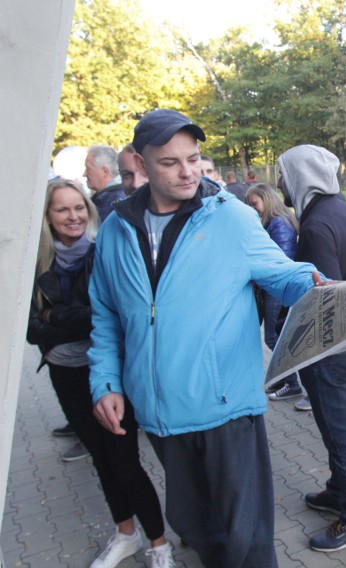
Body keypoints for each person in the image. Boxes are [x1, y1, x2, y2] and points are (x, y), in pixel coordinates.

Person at [88, 109, 321, 568]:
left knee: (247, 542)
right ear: (140, 163)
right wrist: (106, 383)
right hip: (160, 414)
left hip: (226, 409)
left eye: (193, 158)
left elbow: (284, 274)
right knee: (198, 531)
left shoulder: (230, 217)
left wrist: (319, 284)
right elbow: (106, 315)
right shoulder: (116, 229)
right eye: (170, 162)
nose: (187, 171)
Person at [27, 179, 175, 568]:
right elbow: (29, 330)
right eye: (62, 209)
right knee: (100, 458)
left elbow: (105, 316)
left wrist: (54, 315)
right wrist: (59, 322)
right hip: (65, 371)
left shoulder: (101, 253)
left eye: (79, 207)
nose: (73, 216)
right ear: (47, 217)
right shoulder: (37, 264)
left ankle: (159, 545)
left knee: (125, 461)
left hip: (107, 371)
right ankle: (126, 534)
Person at [277, 144, 346, 552]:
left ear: (300, 176)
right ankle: (338, 490)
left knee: (341, 434)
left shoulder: (316, 225)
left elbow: (322, 297)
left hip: (328, 348)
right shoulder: (344, 210)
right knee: (339, 429)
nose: (280, 182)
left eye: (284, 173)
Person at [245, 183, 303, 403]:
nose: (253, 208)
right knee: (276, 336)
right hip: (274, 287)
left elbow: (279, 260)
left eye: (255, 203)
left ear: (266, 200)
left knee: (273, 337)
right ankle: (284, 377)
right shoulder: (274, 222)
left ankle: (293, 383)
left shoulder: (279, 224)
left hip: (276, 288)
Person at [85, 145, 125, 219]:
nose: (84, 174)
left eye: (88, 169)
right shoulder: (108, 198)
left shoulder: (116, 201)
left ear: (105, 172)